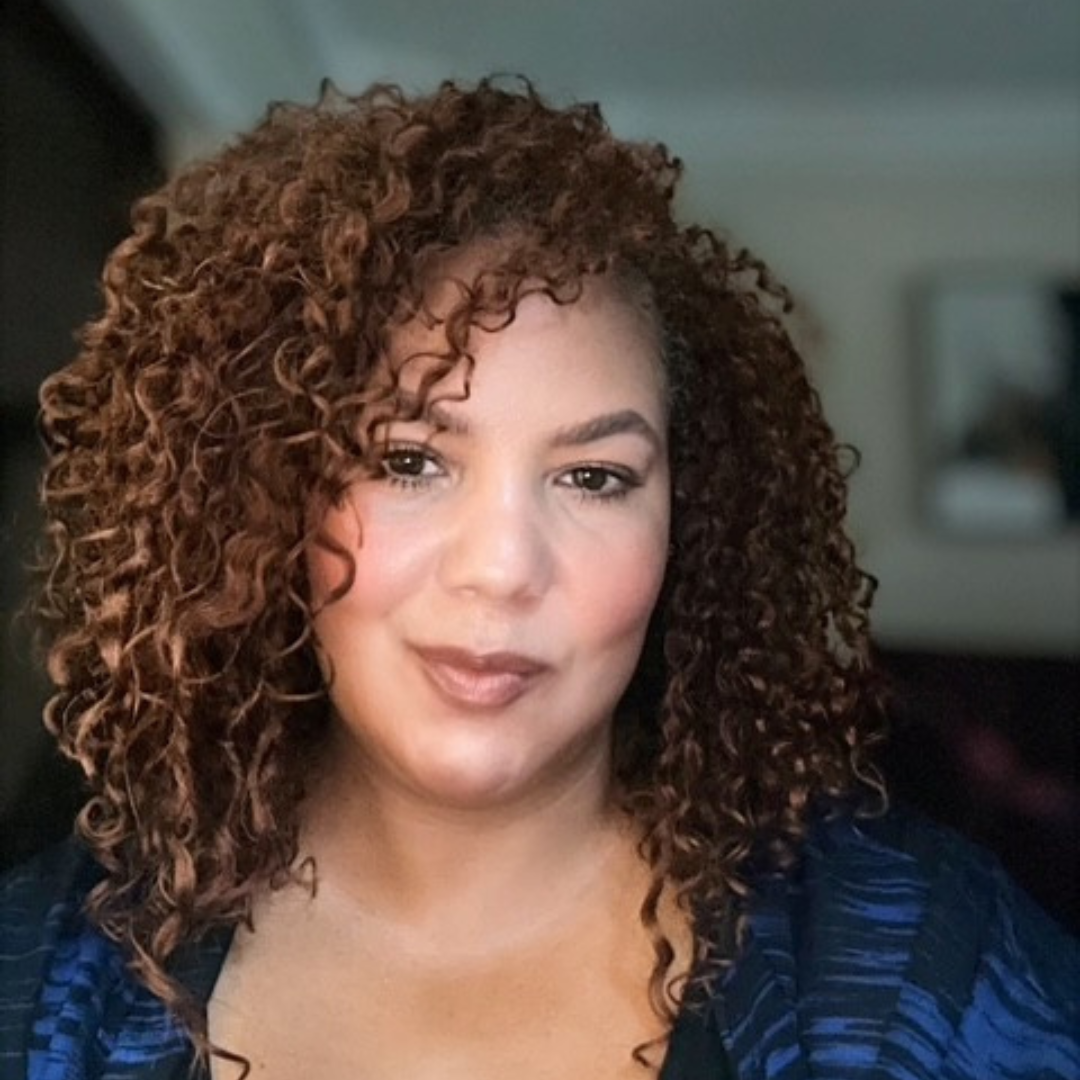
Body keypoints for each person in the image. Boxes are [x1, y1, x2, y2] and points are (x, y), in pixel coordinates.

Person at [0, 77, 1077, 1080]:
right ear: (267, 493)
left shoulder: (930, 971)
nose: (504, 568)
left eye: (594, 478)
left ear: (688, 527)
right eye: (409, 461)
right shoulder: (40, 983)